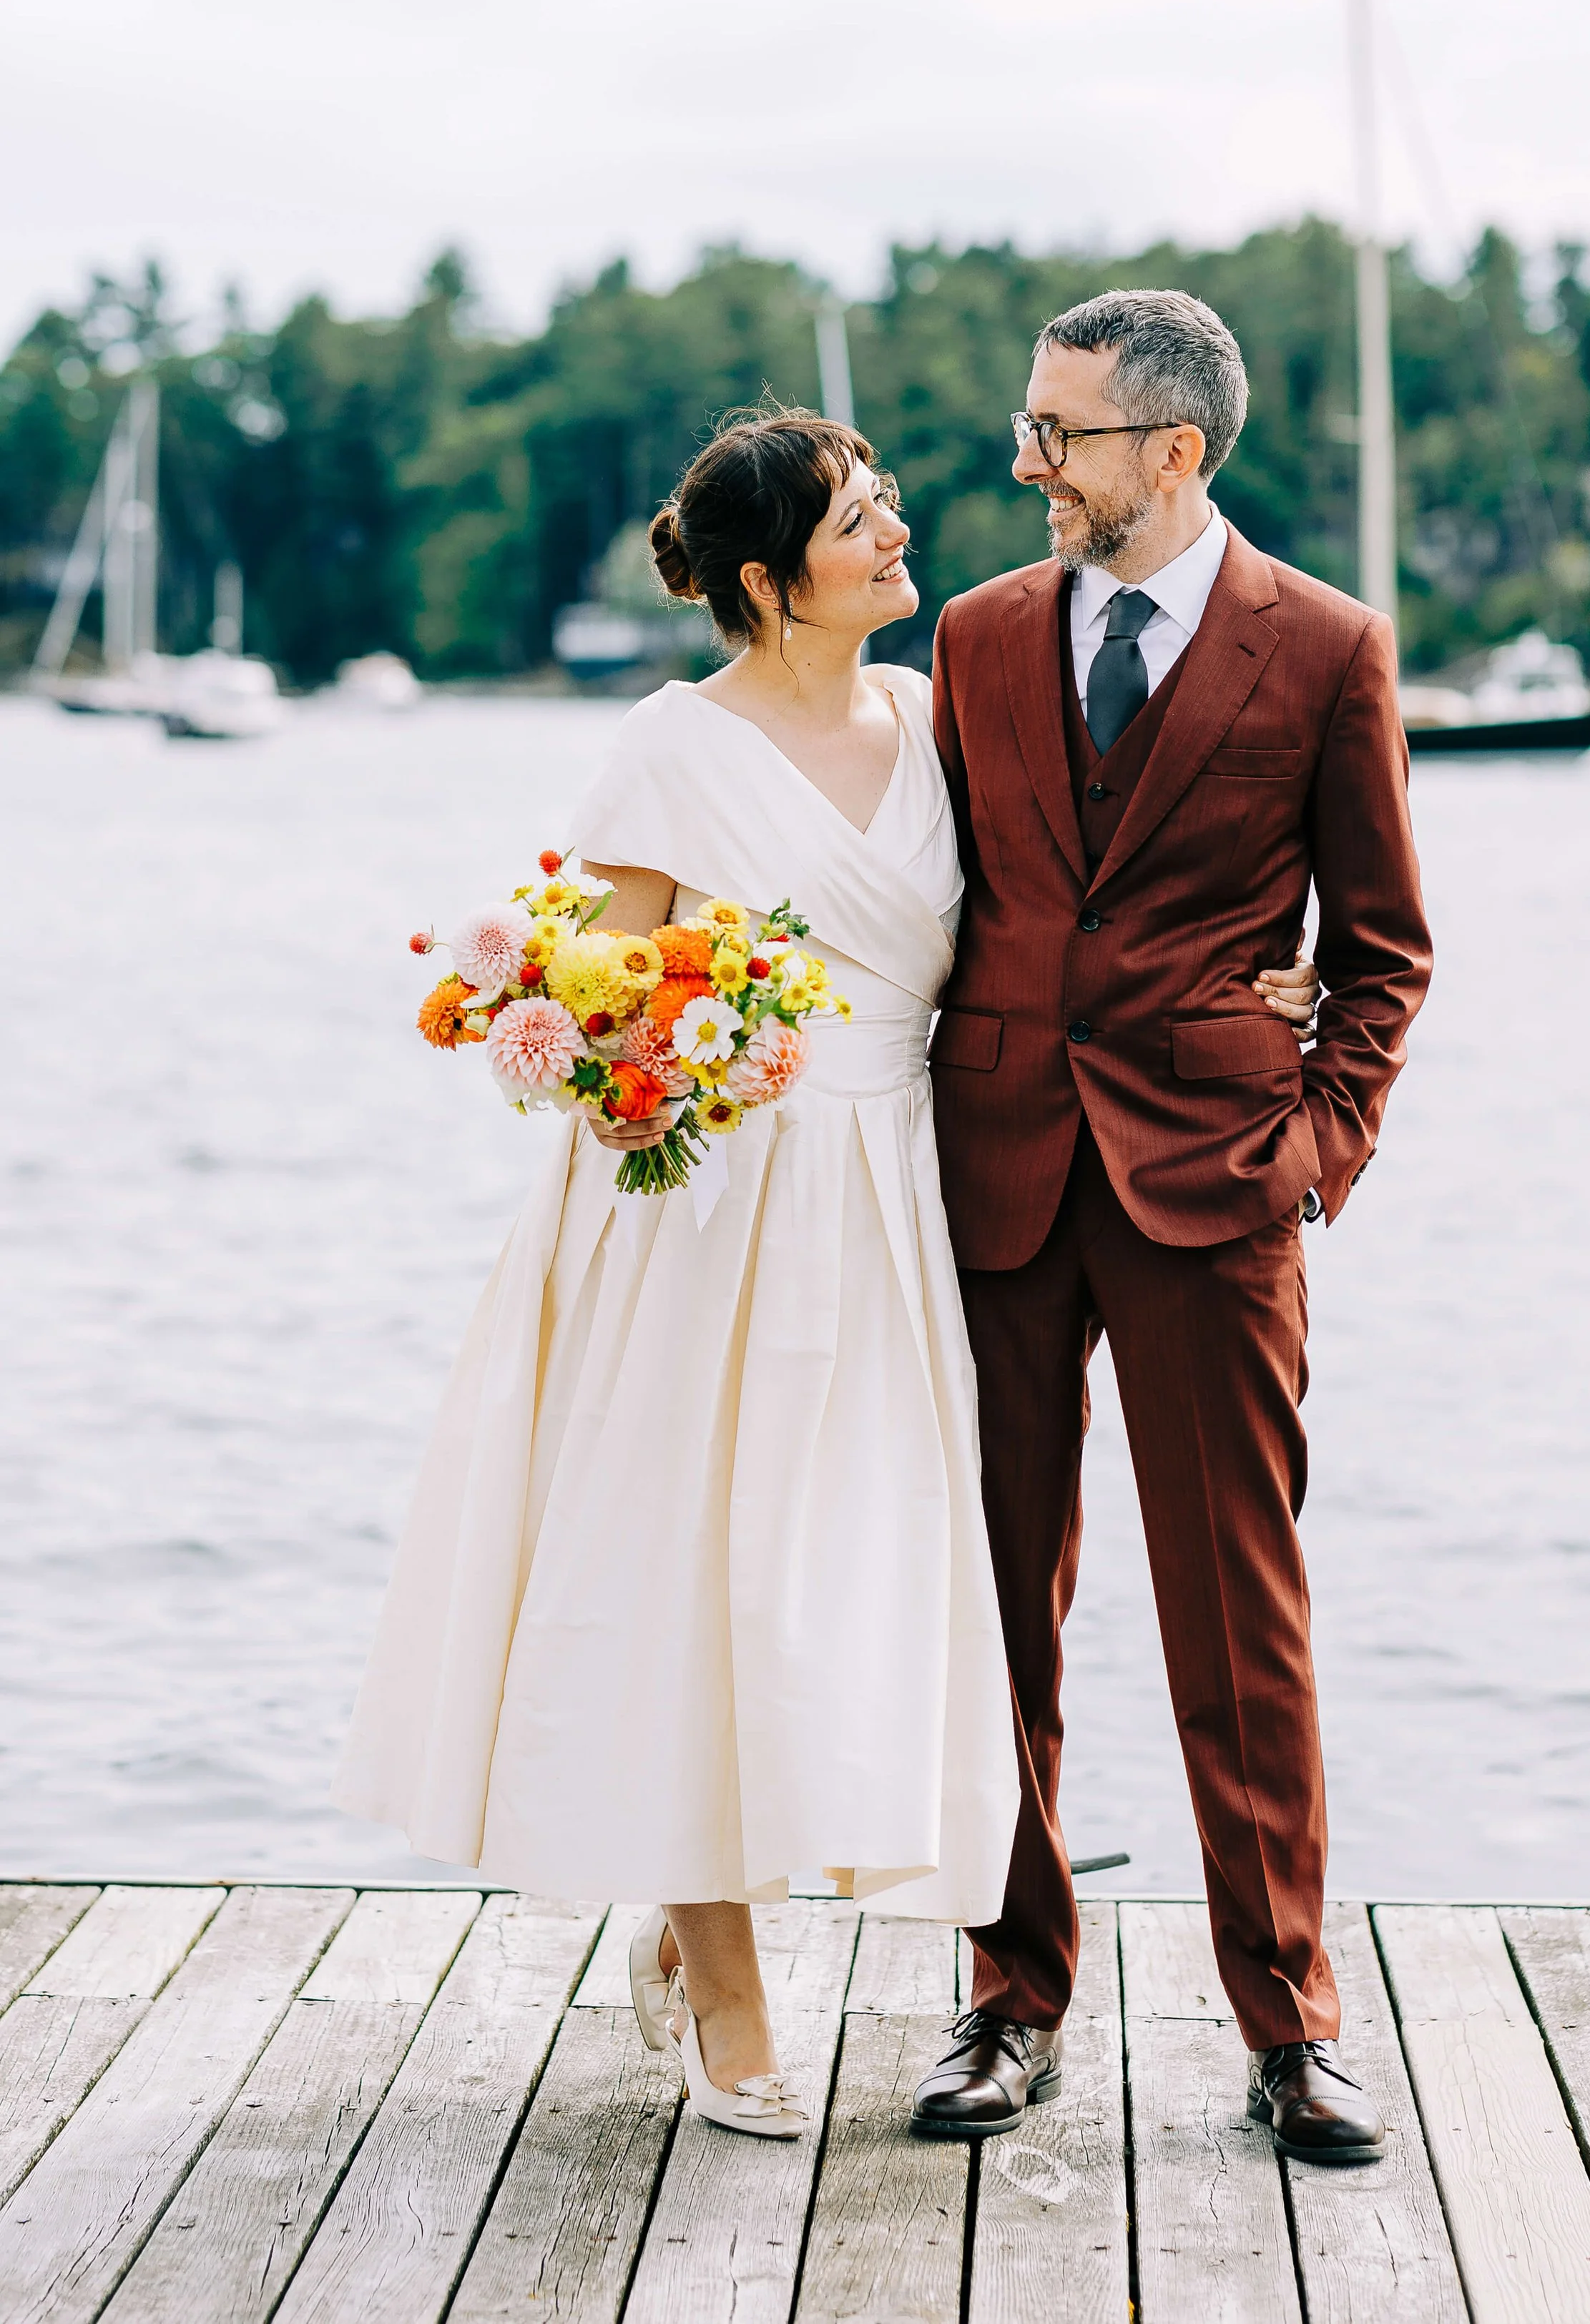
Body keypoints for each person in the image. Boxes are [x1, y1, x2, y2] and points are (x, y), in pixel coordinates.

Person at [335, 403, 1320, 2142]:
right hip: (700, 1210)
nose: (898, 533)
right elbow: (587, 987)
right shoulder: (666, 748)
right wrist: (672, 1049)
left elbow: (1065, 924)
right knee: (674, 1567)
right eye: (859, 519)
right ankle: (720, 1972)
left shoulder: (940, 716)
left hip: (896, 1202)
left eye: (882, 503)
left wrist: (1259, 993)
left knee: (832, 1589)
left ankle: (787, 1911)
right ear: (767, 581)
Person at [911, 291, 1432, 2165]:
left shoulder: (1326, 649)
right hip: (994, 1181)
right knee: (996, 1611)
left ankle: (1290, 2020)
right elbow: (926, 898)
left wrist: (1315, 1155)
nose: (1024, 458)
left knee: (1242, 1619)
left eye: (1057, 429)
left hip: (1218, 1193)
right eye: (1024, 424)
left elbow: (1381, 951)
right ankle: (1006, 1991)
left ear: (1174, 451)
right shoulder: (969, 640)